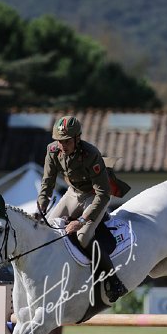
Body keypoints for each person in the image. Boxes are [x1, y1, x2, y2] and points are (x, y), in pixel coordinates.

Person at [37, 115, 127, 302]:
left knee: (83, 236)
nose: (63, 145)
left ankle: (113, 280)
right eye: (59, 141)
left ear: (77, 138)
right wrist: (42, 202)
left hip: (95, 196)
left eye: (67, 141)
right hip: (73, 193)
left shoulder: (91, 154)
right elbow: (47, 181)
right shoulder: (52, 150)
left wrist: (81, 220)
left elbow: (103, 194)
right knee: (48, 229)